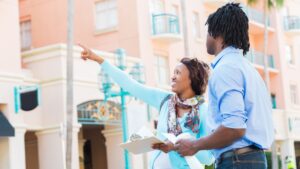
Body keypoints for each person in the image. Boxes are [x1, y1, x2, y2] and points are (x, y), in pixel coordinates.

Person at [78, 44, 214, 169]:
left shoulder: (204, 111)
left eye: (178, 73)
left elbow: (209, 158)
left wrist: (178, 144)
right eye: (173, 72)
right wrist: (99, 60)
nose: (172, 77)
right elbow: (130, 85)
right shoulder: (166, 101)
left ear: (192, 79)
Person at [174, 3, 274, 169]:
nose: (206, 37)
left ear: (217, 33)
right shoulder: (249, 70)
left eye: (207, 31)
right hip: (252, 159)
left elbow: (235, 128)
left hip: (237, 161)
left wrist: (194, 145)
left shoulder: (226, 69)